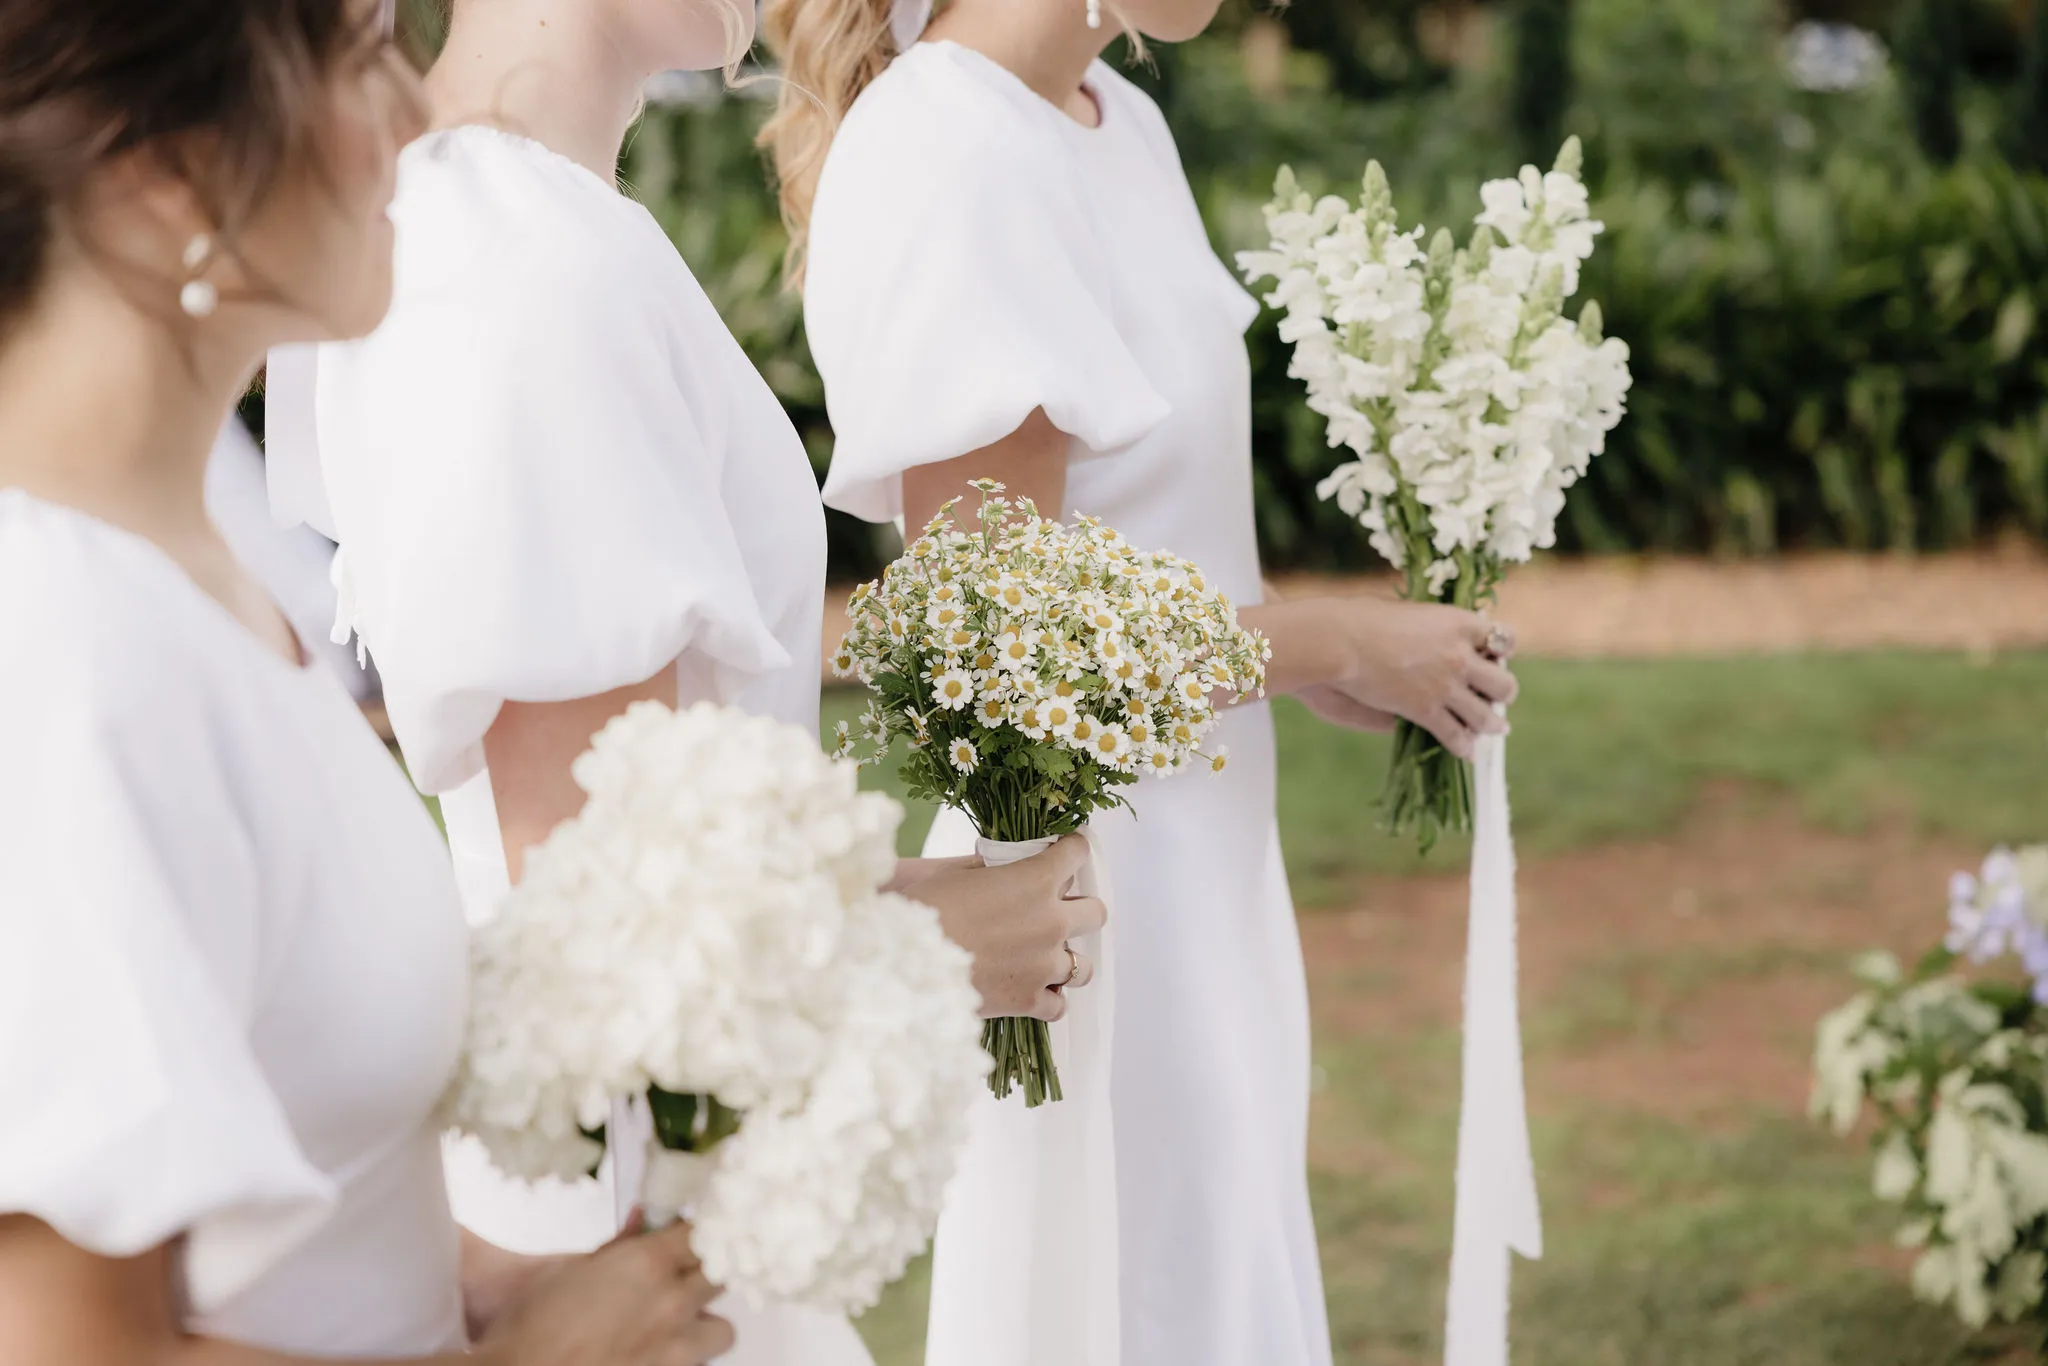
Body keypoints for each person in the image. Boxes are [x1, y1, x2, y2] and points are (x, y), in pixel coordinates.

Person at [262, 0, 1107, 1358]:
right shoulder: (516, 259)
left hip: (650, 1172)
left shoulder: (494, 212)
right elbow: (598, 898)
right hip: (615, 1215)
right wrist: (938, 935)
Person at [760, 1, 1522, 1362]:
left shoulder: (1121, 123)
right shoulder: (947, 144)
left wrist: (1293, 655)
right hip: (1087, 877)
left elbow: (1145, 547)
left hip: (1212, 854)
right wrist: (1338, 641)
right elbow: (1003, 646)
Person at [0, 0, 733, 1363]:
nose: (411, 110)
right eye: (357, 54)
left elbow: (269, 1193)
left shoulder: (212, 585)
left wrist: (469, 1279)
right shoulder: (64, 642)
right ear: (170, 167)